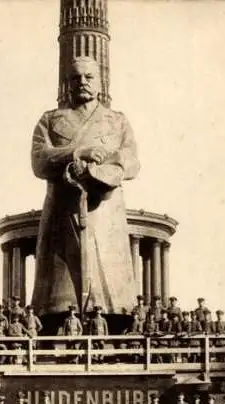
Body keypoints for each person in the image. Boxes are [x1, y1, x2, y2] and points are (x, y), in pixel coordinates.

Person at [31, 56, 141, 317]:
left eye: (89, 77)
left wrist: (102, 171)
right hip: (63, 210)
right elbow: (39, 160)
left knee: (110, 296)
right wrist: (77, 152)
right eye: (76, 77)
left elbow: (132, 161)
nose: (82, 82)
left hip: (104, 210)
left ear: (100, 83)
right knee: (59, 294)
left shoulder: (117, 120)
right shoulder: (50, 120)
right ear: (68, 84)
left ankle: (115, 318)